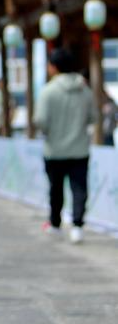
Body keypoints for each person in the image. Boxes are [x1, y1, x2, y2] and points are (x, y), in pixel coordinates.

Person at [34, 47, 98, 244]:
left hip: (54, 151)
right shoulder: (85, 91)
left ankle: (55, 224)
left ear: (54, 67)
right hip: (80, 149)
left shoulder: (48, 91)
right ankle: (77, 226)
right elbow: (93, 117)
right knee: (79, 189)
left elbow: (40, 121)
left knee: (56, 189)